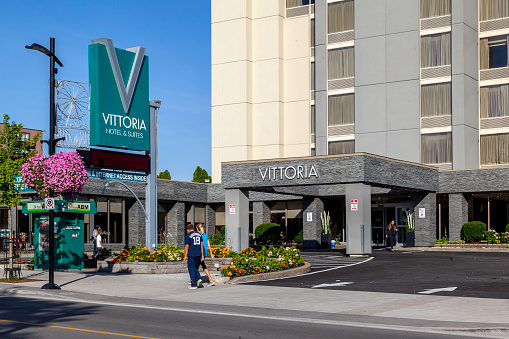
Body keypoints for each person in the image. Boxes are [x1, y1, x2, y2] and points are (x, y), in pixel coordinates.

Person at [184, 223, 204, 289]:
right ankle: (199, 278)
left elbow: (187, 246)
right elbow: (201, 245)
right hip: (198, 253)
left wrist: (185, 256)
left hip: (192, 253)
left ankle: (194, 284)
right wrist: (202, 255)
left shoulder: (188, 235)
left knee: (191, 268)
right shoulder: (199, 234)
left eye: (186, 230)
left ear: (188, 229)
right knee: (195, 267)